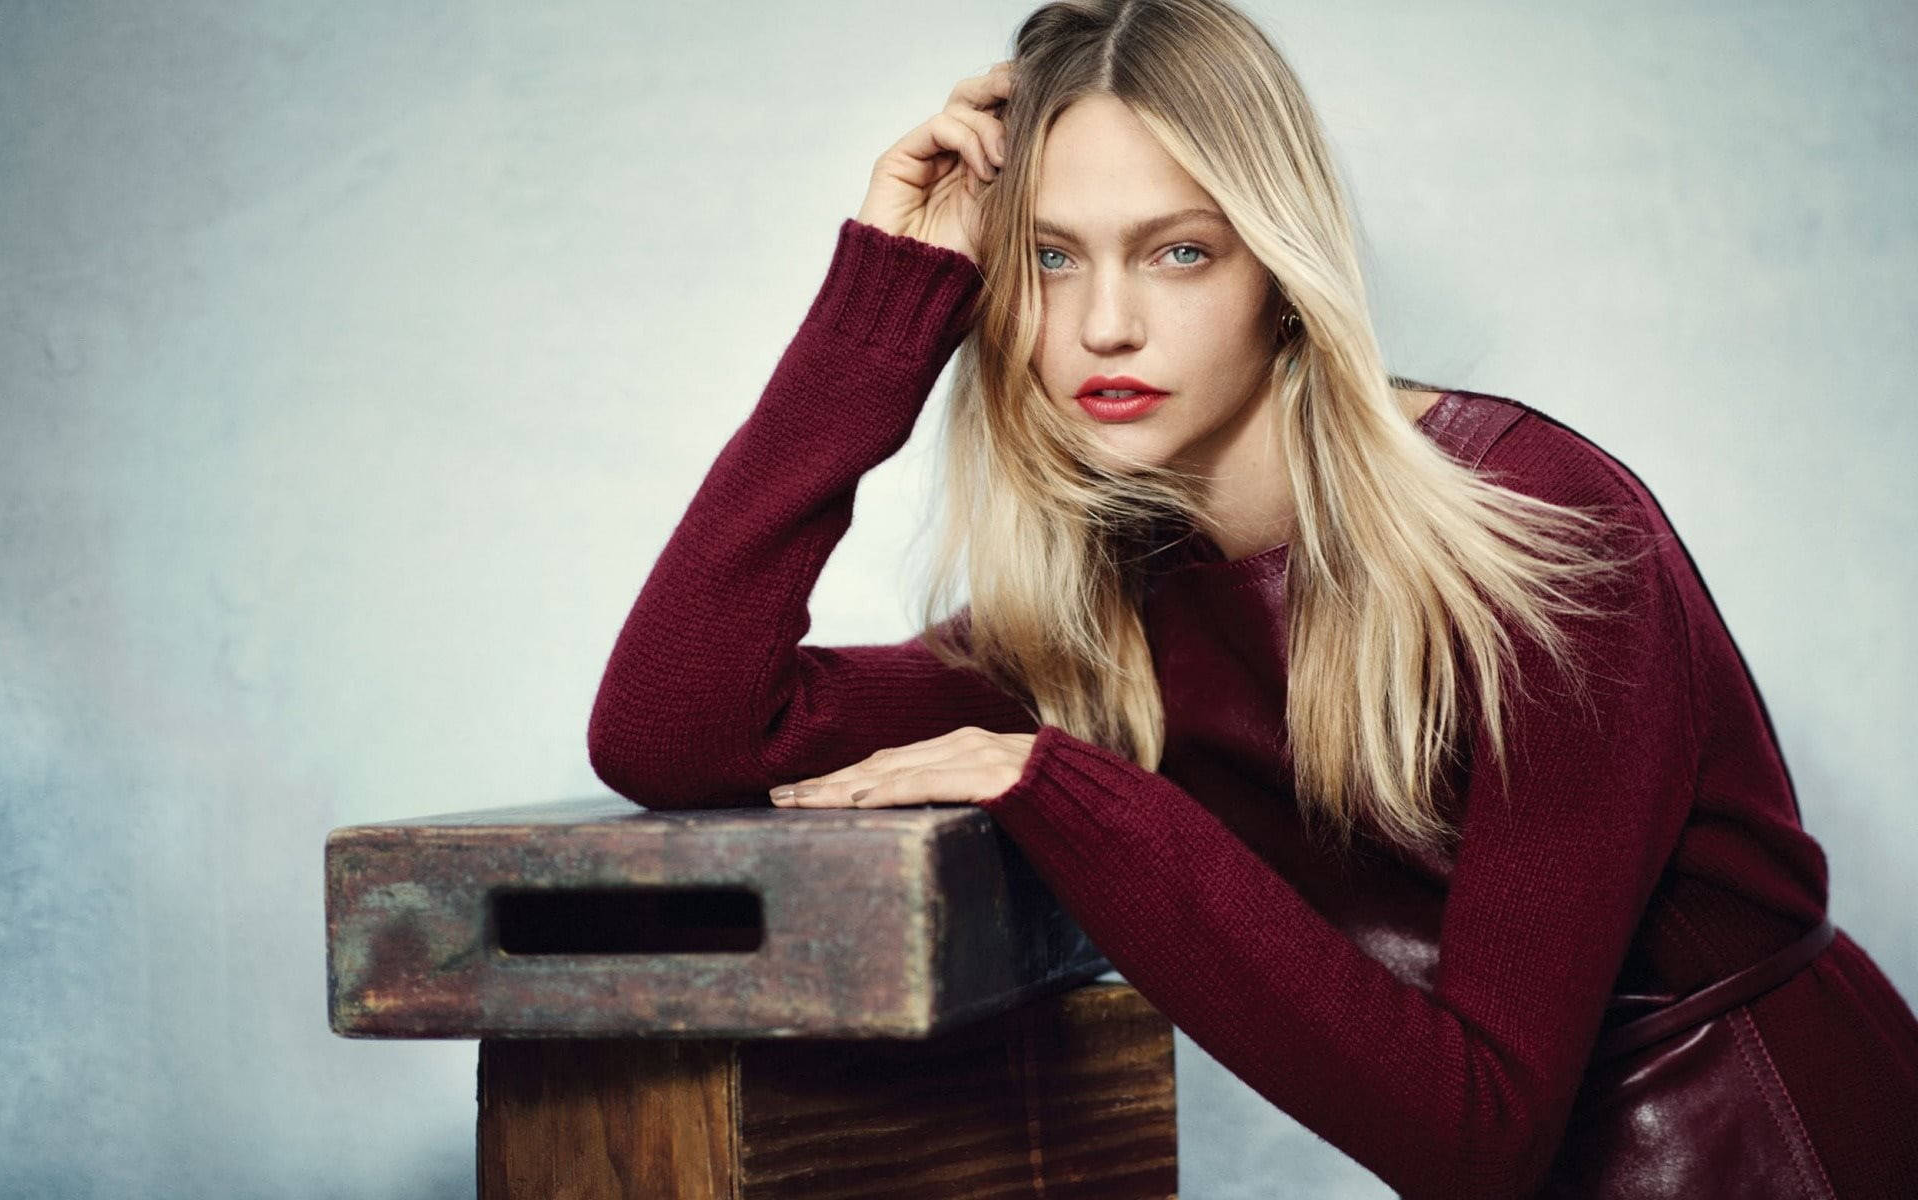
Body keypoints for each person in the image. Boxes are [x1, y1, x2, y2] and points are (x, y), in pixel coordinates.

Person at [587, 2, 1918, 1196]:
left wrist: (1066, 791)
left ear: (1279, 274)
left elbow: (1477, 1135)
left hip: (1769, 1152)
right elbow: (678, 732)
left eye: (1178, 253)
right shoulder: (1104, 615)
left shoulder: (1538, 535)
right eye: (1050, 258)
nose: (1105, 323)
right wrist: (883, 303)